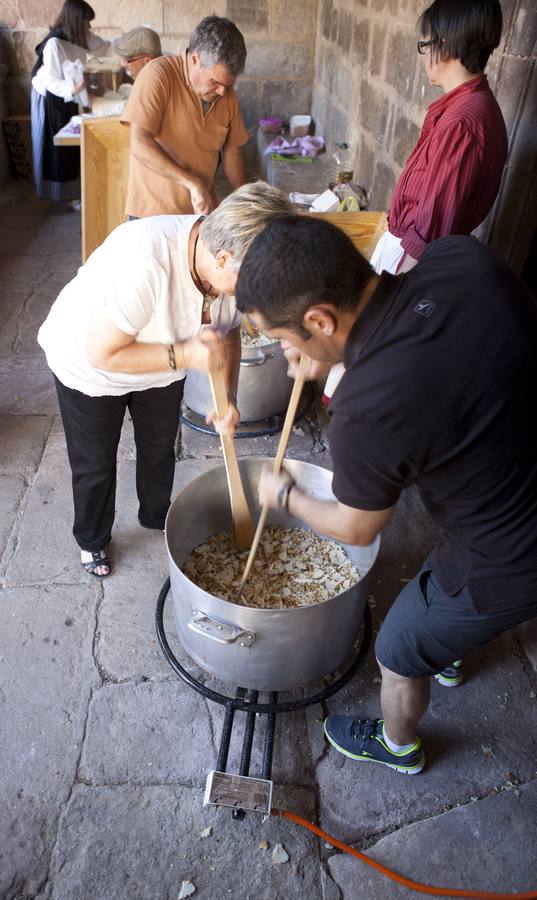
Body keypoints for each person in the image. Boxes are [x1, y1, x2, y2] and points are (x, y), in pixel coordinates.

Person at [235, 215, 537, 776]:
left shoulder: (366, 412)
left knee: (397, 649)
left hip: (511, 551)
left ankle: (399, 746)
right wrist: (333, 354)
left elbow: (357, 528)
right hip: (511, 458)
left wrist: (286, 496)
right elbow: (417, 343)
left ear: (319, 319)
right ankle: (447, 643)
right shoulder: (461, 259)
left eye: (281, 338)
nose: (283, 354)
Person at [37, 182, 292, 578]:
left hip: (163, 359)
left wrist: (228, 395)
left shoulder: (230, 268)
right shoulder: (145, 261)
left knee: (159, 447)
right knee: (95, 462)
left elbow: (228, 333)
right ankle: (92, 539)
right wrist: (187, 354)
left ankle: (156, 514)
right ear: (224, 259)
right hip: (91, 366)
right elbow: (102, 352)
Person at [324, 0, 507, 400]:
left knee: (362, 373)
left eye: (425, 46)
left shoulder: (464, 122)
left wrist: (382, 298)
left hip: (413, 268)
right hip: (409, 257)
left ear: (448, 46)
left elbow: (428, 229)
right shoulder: (463, 108)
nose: (424, 56)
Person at [120, 15, 248, 219]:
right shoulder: (158, 75)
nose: (223, 92)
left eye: (228, 84)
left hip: (198, 215)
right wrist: (192, 182)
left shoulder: (226, 94)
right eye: (215, 82)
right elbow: (139, 143)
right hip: (152, 215)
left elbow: (232, 149)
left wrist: (245, 196)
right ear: (195, 59)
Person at [31, 0, 111, 203]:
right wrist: (72, 89)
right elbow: (50, 80)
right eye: (87, 23)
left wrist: (128, 43)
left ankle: (74, 192)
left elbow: (103, 48)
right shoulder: (54, 44)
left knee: (72, 143)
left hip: (70, 94)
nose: (90, 27)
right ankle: (61, 194)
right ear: (76, 21)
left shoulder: (82, 36)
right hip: (51, 96)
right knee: (57, 145)